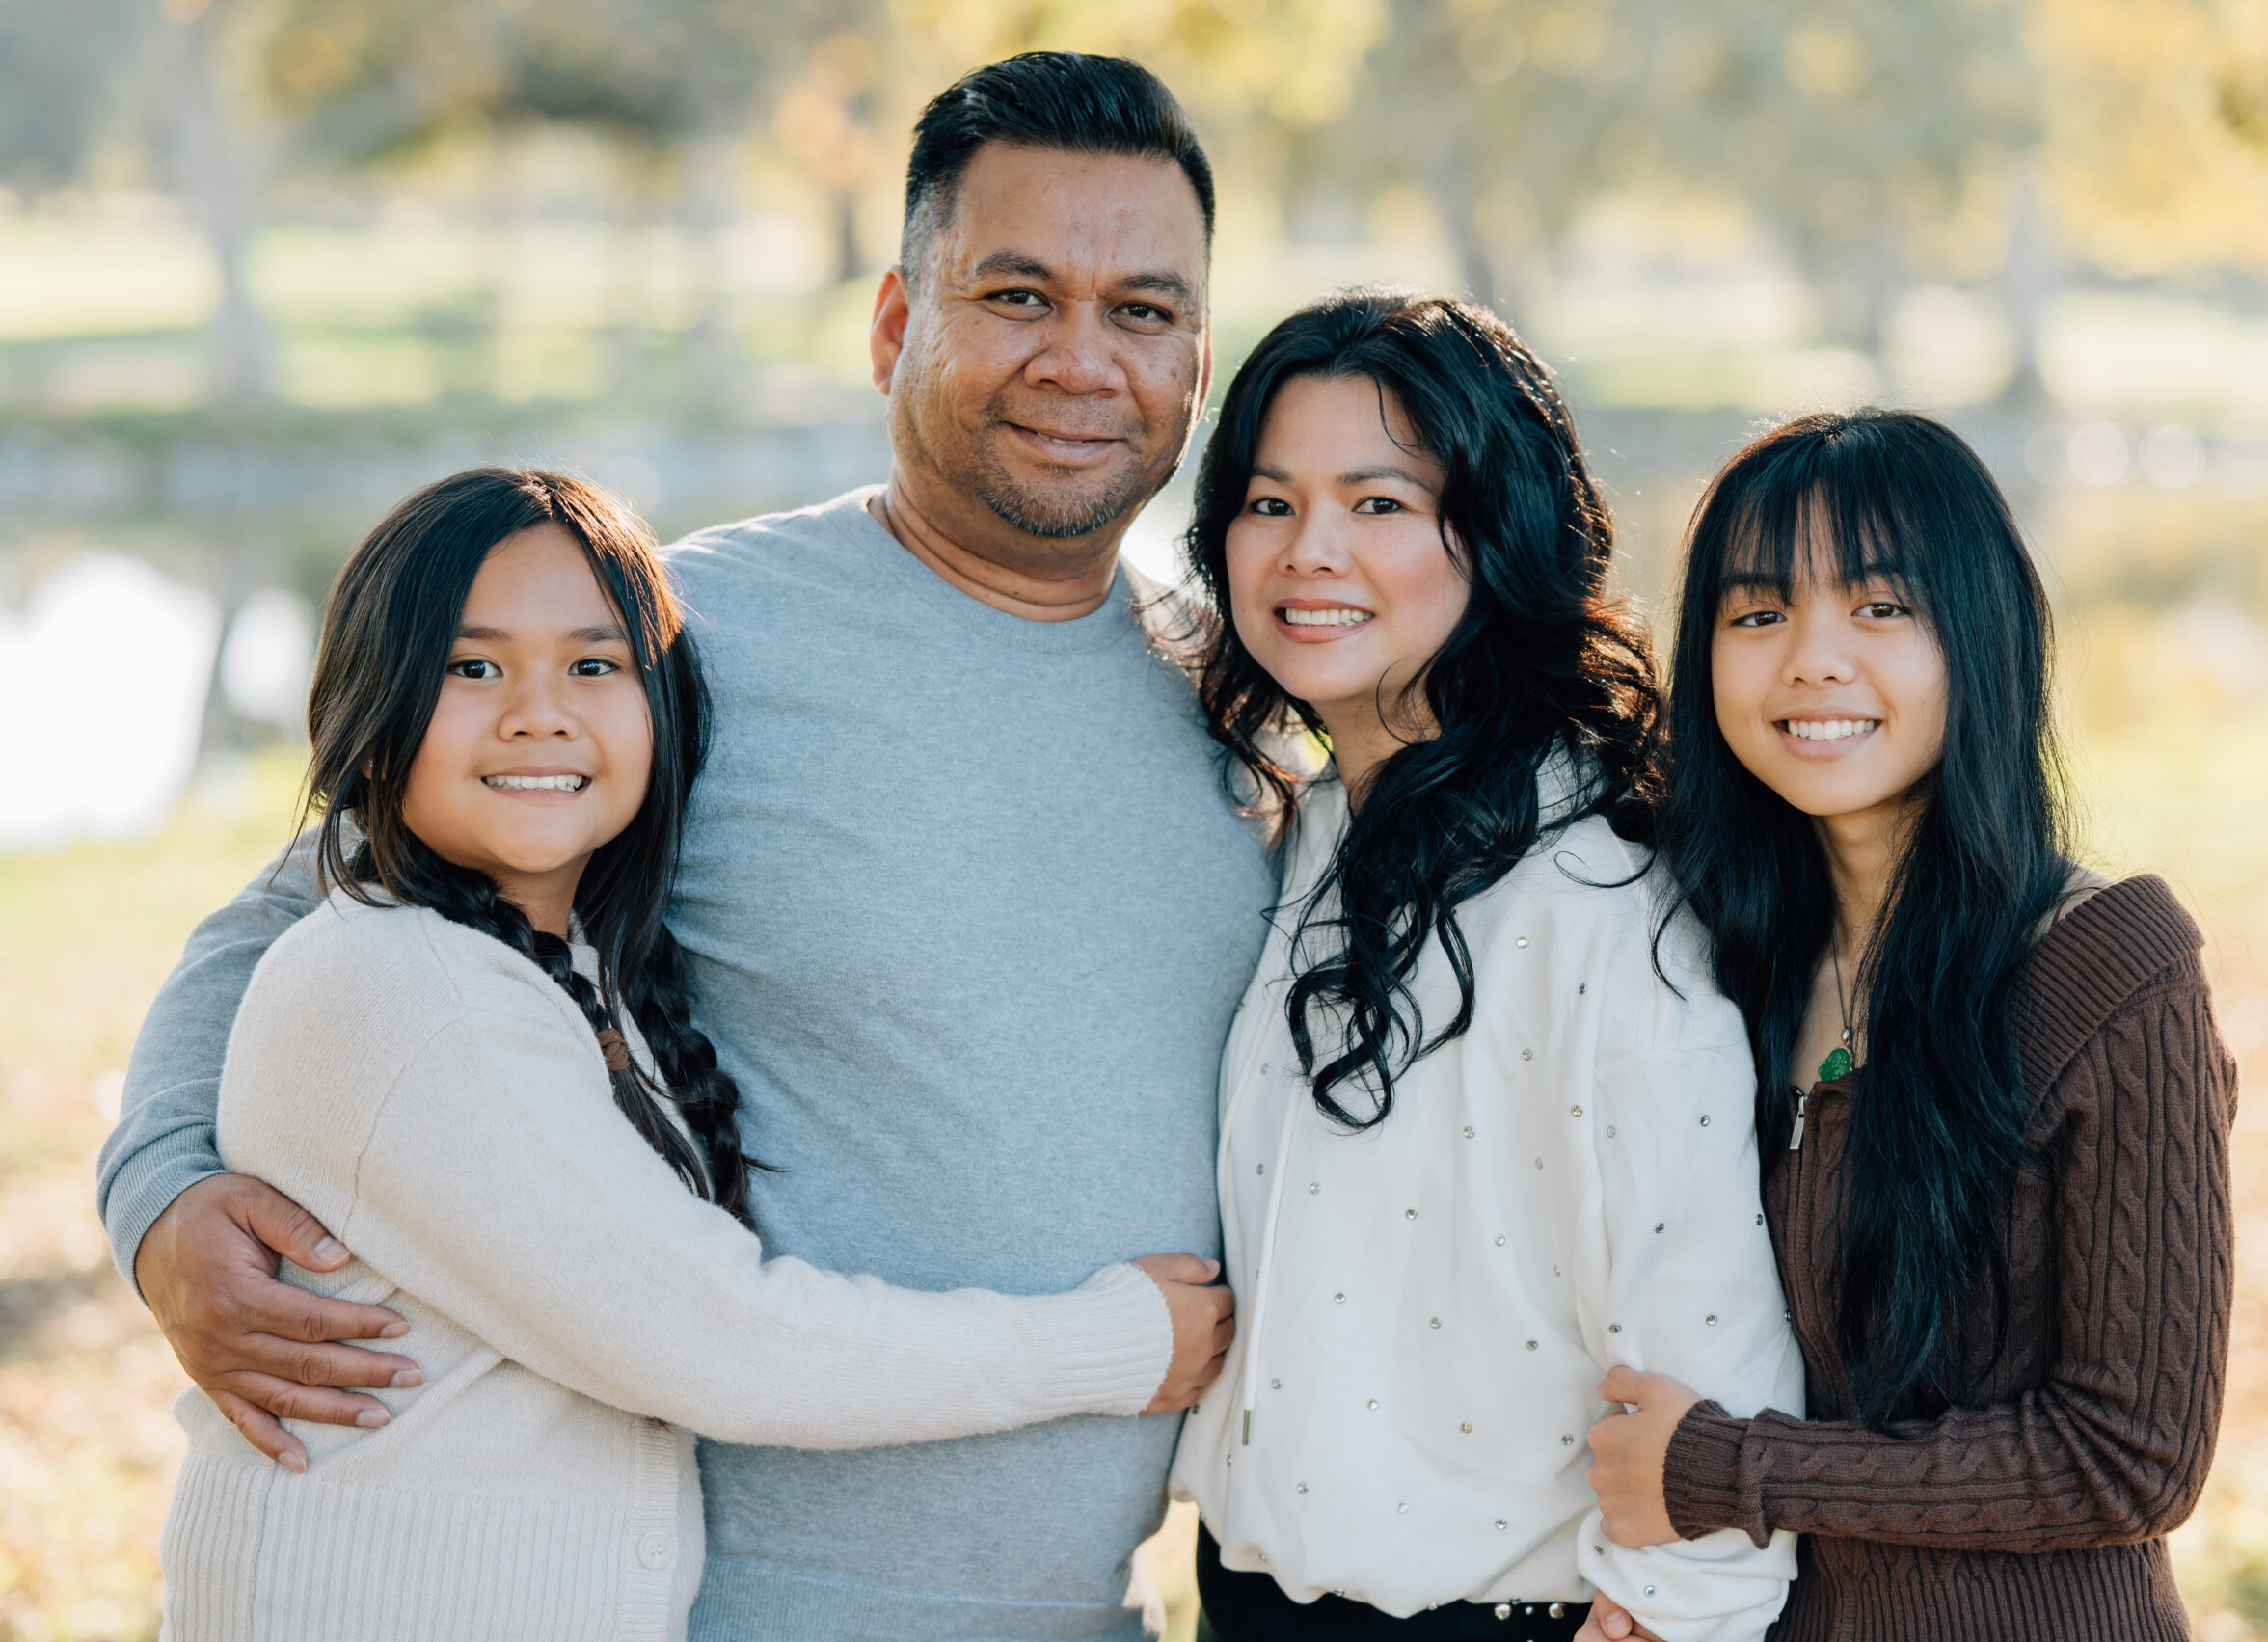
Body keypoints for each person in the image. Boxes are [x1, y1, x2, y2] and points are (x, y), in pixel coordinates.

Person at [96, 54, 1278, 1641]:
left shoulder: (1243, 703)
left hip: (1085, 1607)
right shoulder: (671, 645)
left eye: (1142, 309)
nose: (1082, 357)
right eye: (1016, 294)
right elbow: (283, 923)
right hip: (723, 1606)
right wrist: (163, 1196)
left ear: (1197, 352)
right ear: (890, 326)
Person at [159, 467, 1231, 1639]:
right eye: (472, 667)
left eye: (592, 665)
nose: (537, 711)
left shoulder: (565, 973)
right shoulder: (413, 993)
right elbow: (727, 1344)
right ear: (373, 706)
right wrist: (1110, 1342)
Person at [1165, 291, 1803, 1642]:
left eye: (1381, 503)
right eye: (1269, 502)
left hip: (1509, 1613)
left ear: (1498, 531)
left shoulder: (1595, 886)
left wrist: (1687, 1597)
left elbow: (1701, 1301)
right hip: (1260, 1593)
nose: (1308, 551)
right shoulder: (1321, 820)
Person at [1578, 409, 2234, 1642]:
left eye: (1881, 607)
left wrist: (1728, 1473)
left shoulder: (2109, 968)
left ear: (1979, 636)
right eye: (1758, 612)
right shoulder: (1707, 956)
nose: (1812, 660)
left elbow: (2131, 1457)